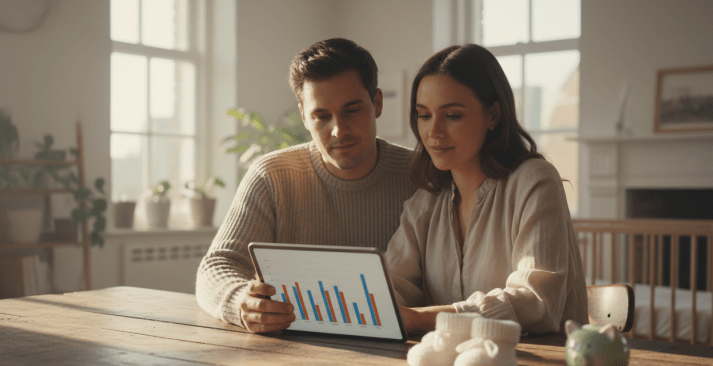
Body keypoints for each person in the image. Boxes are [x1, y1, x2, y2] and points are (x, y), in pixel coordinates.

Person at [196, 38, 416, 333]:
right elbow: (218, 265)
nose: (339, 130)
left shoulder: (420, 175)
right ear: (303, 115)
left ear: (377, 102)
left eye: (352, 110)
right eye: (321, 116)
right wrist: (240, 301)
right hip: (292, 346)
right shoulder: (271, 176)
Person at [386, 44, 588, 335]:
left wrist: (422, 319)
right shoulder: (425, 202)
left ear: (493, 115)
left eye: (452, 115)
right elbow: (393, 286)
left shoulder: (535, 181)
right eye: (424, 115)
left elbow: (535, 301)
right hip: (452, 359)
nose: (434, 132)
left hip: (544, 359)